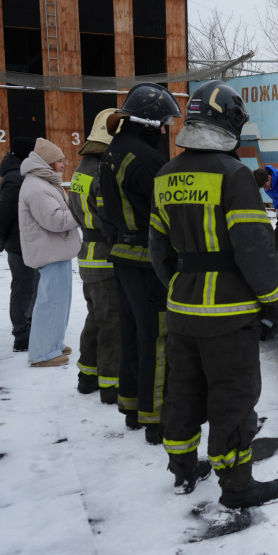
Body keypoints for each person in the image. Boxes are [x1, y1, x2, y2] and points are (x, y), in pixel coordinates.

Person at [149, 80, 278, 507]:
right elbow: (254, 250)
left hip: (182, 309)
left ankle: (184, 469)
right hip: (229, 315)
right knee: (232, 396)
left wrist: (181, 286)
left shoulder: (165, 175)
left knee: (184, 391)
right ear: (228, 123)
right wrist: (275, 299)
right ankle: (238, 485)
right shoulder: (234, 175)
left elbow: (158, 250)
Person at [99, 83, 182, 444]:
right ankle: (155, 417)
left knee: (132, 334)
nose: (164, 130)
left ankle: (132, 406)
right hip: (148, 261)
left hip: (121, 256)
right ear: (148, 122)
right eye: (162, 123)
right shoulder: (147, 160)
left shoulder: (113, 151)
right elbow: (167, 215)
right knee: (158, 337)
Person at [68, 108, 121, 403]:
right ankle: (111, 383)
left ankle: (87, 375)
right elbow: (109, 217)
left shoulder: (80, 170)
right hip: (104, 255)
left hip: (87, 253)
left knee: (95, 317)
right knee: (111, 321)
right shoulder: (102, 171)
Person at [18, 138, 81, 367]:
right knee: (51, 303)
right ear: (48, 162)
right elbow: (54, 221)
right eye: (59, 161)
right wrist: (81, 211)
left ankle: (53, 343)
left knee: (59, 301)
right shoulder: (37, 188)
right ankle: (43, 352)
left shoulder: (43, 183)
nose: (64, 165)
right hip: (51, 252)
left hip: (56, 250)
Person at [0, 136, 39, 352]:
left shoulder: (20, 174)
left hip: (26, 240)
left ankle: (29, 328)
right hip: (19, 243)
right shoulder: (16, 178)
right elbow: (5, 212)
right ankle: (22, 335)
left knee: (31, 286)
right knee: (23, 287)